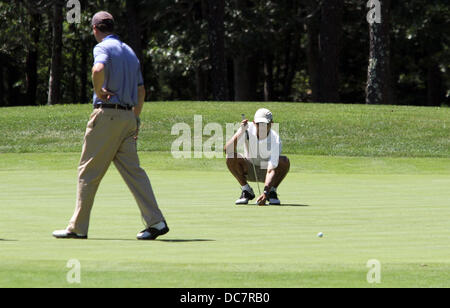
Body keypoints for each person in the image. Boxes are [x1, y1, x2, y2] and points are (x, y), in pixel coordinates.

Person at [53, 11, 169, 240]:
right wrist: (135, 119)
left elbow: (98, 70)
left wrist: (98, 91)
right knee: (134, 173)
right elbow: (141, 91)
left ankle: (77, 228)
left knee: (88, 172)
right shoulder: (129, 52)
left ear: (96, 29)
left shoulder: (102, 48)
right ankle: (156, 222)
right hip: (128, 118)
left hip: (107, 116)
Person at [225, 108, 290, 206]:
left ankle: (271, 192)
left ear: (271, 123)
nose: (262, 127)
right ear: (254, 123)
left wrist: (265, 192)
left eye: (265, 124)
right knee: (230, 156)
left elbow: (271, 169)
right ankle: (246, 190)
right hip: (248, 169)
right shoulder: (247, 129)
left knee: (284, 161)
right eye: (259, 124)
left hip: (267, 171)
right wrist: (240, 132)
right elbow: (227, 150)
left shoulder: (275, 139)